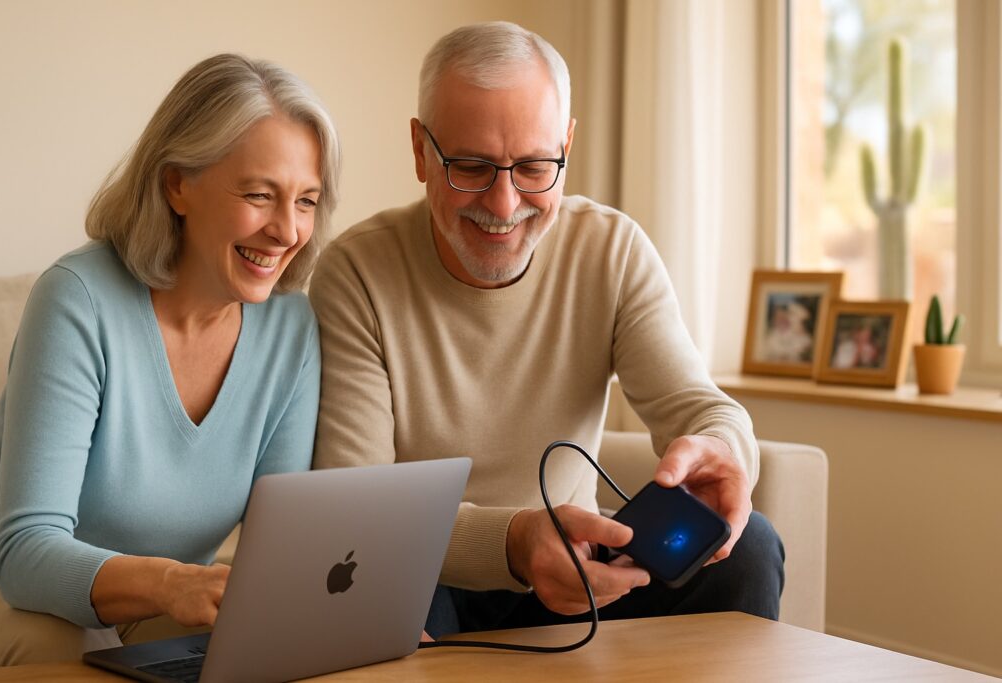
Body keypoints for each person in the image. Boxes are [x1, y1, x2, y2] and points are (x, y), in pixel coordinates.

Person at [310, 21, 784, 639]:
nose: (504, 205)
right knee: (380, 591)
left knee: (748, 549)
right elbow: (357, 507)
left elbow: (698, 408)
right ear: (421, 151)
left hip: (577, 563)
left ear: (567, 144)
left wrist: (720, 449)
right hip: (427, 571)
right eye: (472, 167)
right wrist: (513, 540)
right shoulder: (356, 272)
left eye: (535, 167)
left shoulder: (612, 251)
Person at [0, 53, 340, 667]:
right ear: (178, 184)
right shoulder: (78, 300)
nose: (287, 231)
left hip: (157, 607)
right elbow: (27, 553)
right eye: (260, 195)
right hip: (8, 594)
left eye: (306, 201)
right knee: (61, 649)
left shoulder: (291, 328)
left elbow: (278, 547)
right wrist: (175, 584)